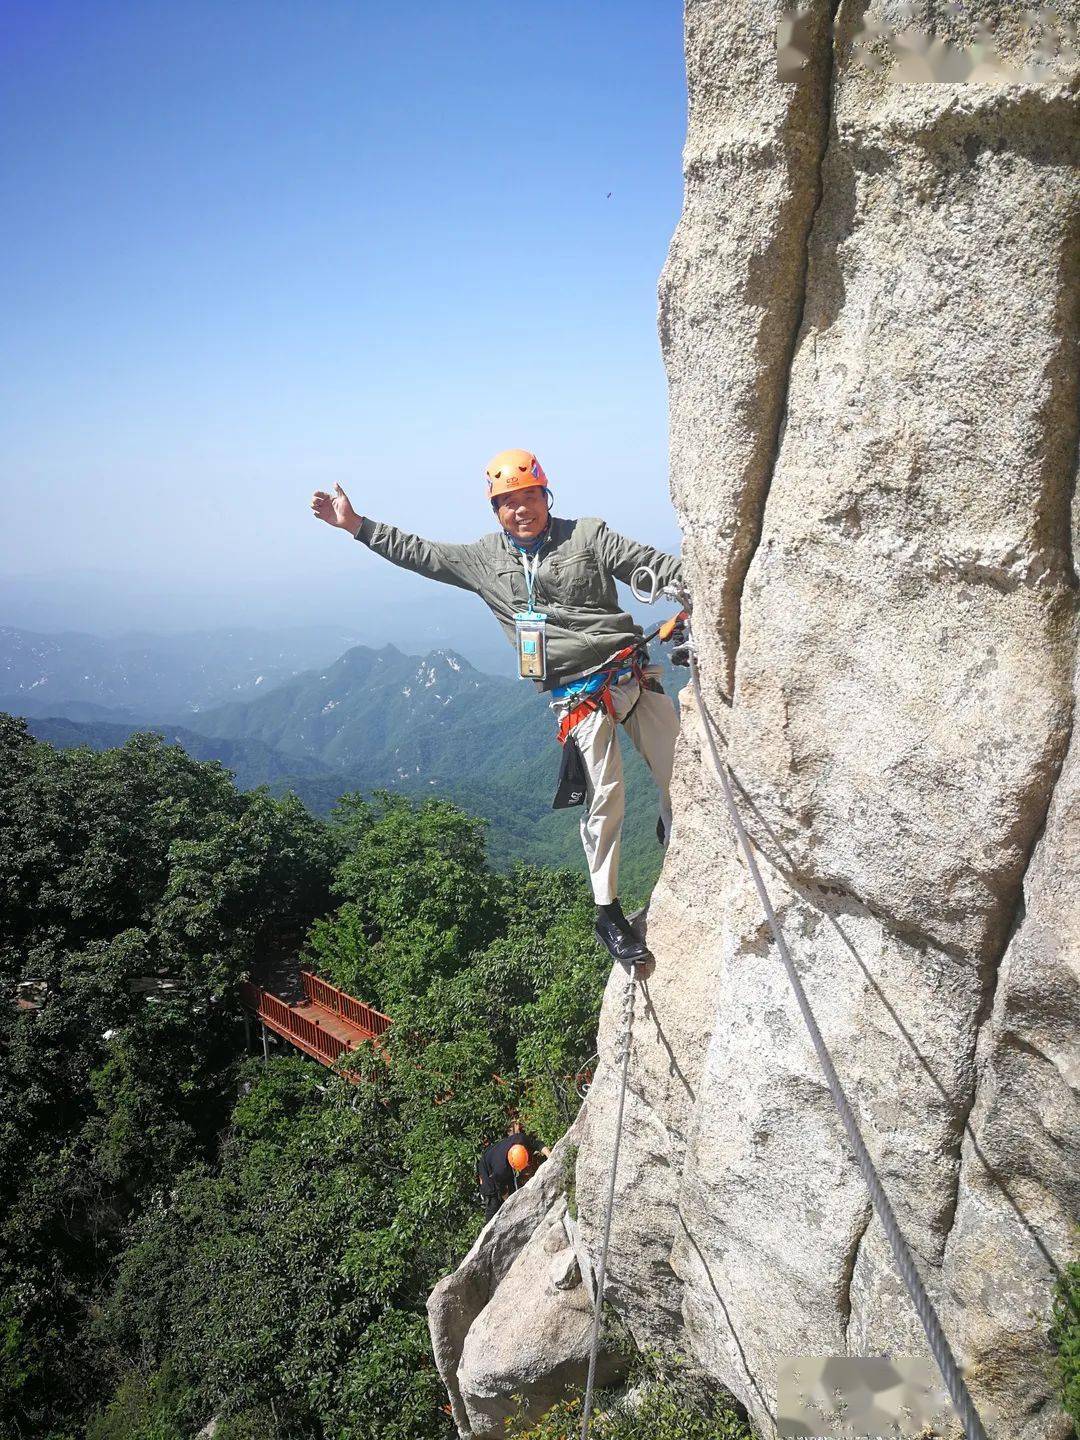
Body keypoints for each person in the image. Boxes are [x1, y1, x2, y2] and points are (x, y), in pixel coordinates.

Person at [310, 448, 684, 965]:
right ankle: (608, 912)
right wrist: (356, 525)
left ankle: (675, 827)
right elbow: (420, 553)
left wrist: (699, 586)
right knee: (607, 797)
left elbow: (649, 563)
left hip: (629, 670)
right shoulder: (484, 560)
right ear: (496, 510)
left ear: (546, 497)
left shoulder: (588, 536)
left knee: (682, 768)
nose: (521, 508)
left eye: (530, 496)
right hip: (576, 695)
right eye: (509, 502)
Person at [476, 1121, 550, 1221]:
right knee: (493, 1199)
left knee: (513, 1189)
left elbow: (537, 1144)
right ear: (512, 1164)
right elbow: (502, 1189)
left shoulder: (521, 1139)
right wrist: (510, 1206)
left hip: (499, 1155)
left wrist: (550, 1156)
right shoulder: (501, 1169)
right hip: (487, 1166)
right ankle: (489, 1231)